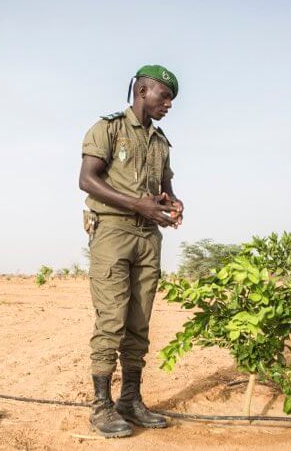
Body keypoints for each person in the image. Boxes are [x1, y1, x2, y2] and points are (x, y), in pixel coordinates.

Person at [78, 64, 184, 438]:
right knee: (112, 321)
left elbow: (165, 188)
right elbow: (86, 180)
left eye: (171, 99)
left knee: (139, 324)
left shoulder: (160, 142)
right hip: (112, 234)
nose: (169, 104)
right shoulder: (107, 129)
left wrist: (172, 206)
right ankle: (101, 406)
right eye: (164, 96)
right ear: (142, 91)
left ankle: (130, 400)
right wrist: (138, 204)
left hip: (147, 239)